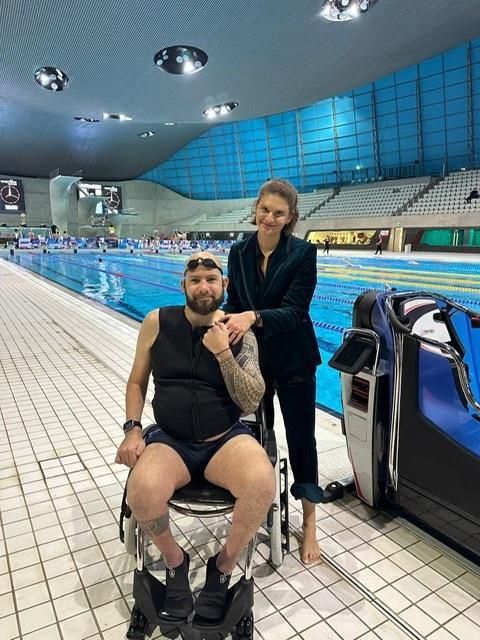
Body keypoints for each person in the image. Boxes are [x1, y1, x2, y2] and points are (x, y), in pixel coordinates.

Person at [115, 252, 274, 622]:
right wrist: (132, 428)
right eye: (196, 279)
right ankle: (175, 563)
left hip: (224, 440)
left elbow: (252, 398)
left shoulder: (239, 333)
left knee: (262, 482)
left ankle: (224, 565)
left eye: (211, 279)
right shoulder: (157, 322)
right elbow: (137, 381)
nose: (204, 286)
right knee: (141, 490)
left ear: (225, 285)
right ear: (183, 285)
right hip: (171, 440)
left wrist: (223, 353)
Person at [223, 179, 322, 565]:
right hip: (255, 361)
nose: (269, 218)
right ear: (256, 209)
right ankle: (258, 503)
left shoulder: (302, 253)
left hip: (294, 361)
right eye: (264, 209)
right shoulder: (239, 250)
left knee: (301, 440)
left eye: (278, 213)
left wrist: (252, 316)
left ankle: (310, 521)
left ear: (290, 218)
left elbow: (297, 311)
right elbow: (235, 301)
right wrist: (224, 317)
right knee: (256, 437)